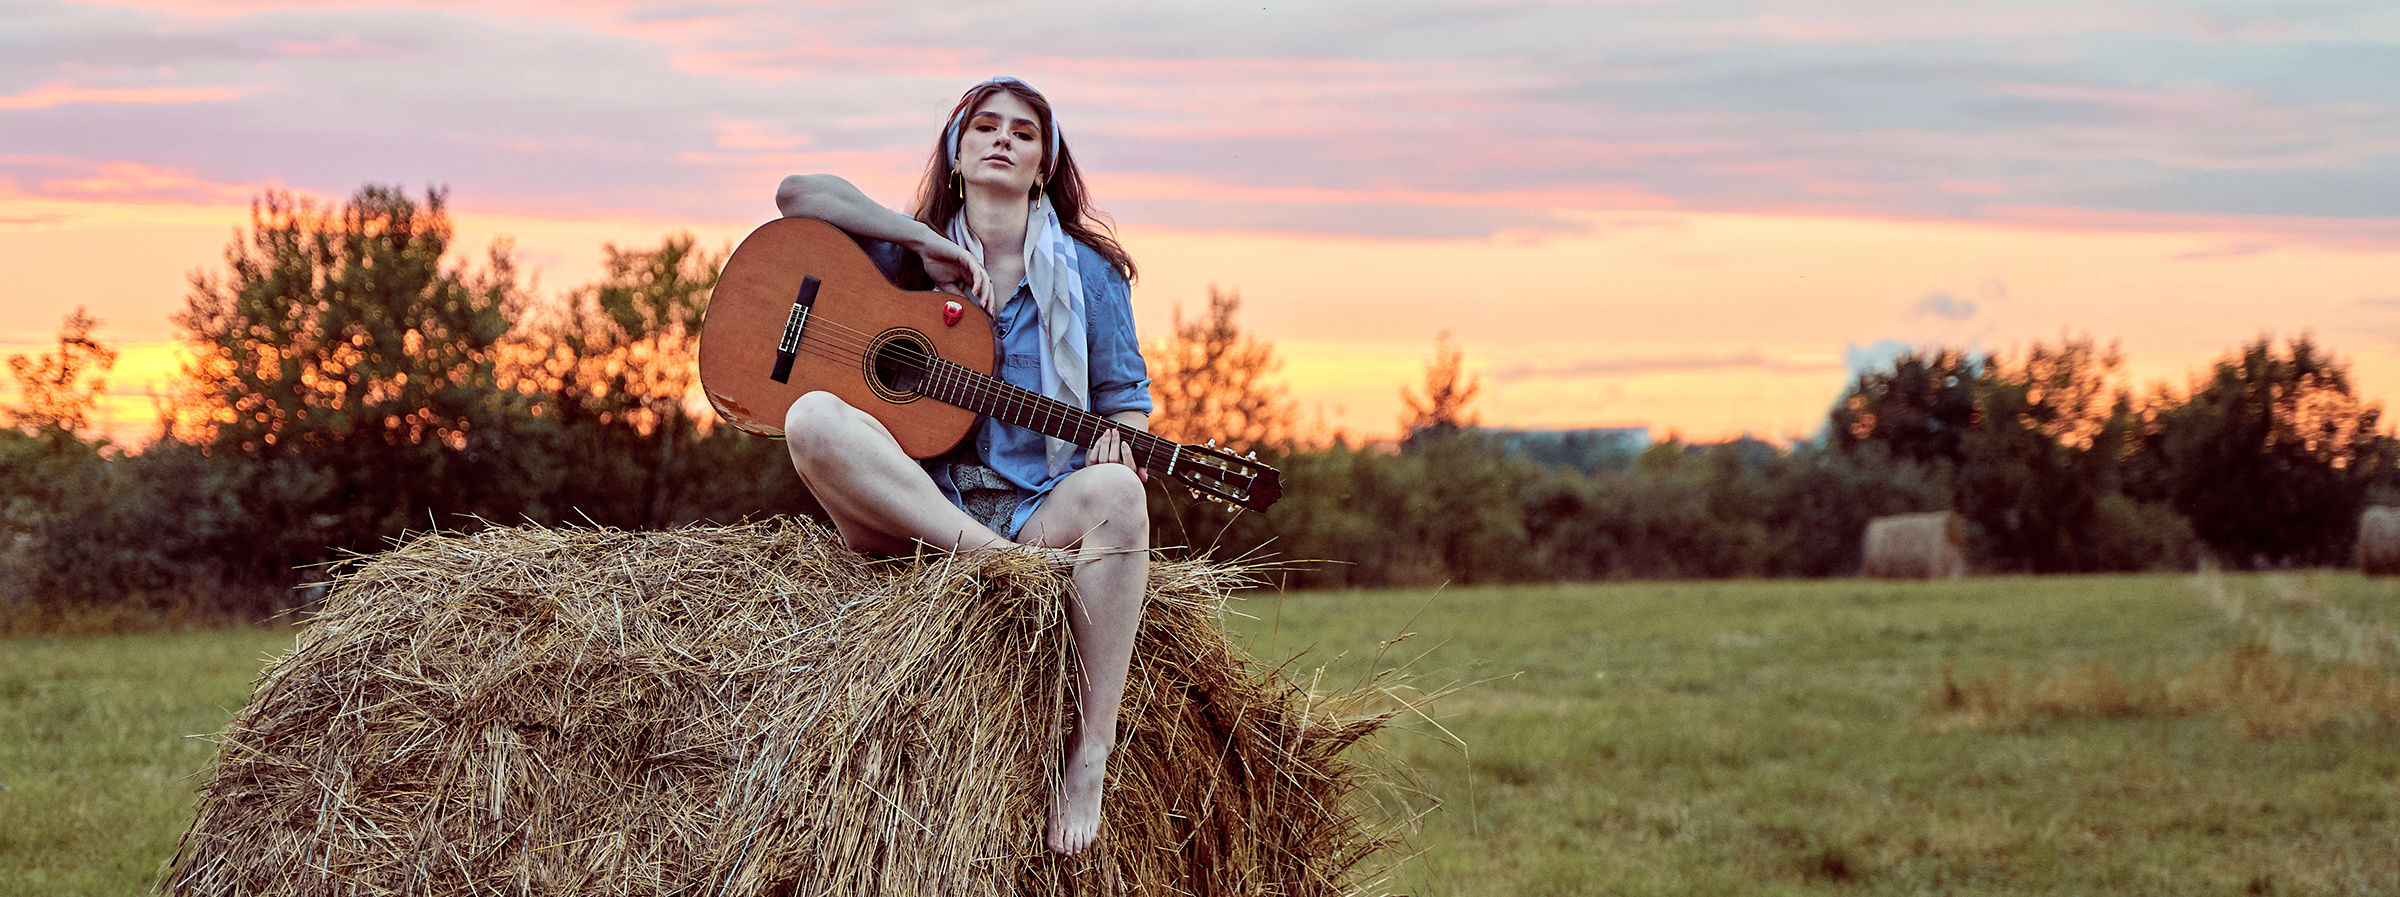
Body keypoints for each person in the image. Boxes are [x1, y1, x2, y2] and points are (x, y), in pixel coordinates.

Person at [770, 77, 1150, 858]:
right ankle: (997, 567)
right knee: (809, 416)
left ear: (1045, 163)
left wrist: (1123, 438)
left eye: (1023, 132)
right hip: (913, 510)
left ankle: (1090, 754)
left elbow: (1125, 399)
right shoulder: (905, 256)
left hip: (1034, 506)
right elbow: (795, 193)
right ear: (956, 150)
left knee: (1119, 492)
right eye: (983, 127)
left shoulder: (1091, 276)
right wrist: (921, 242)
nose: (1002, 139)